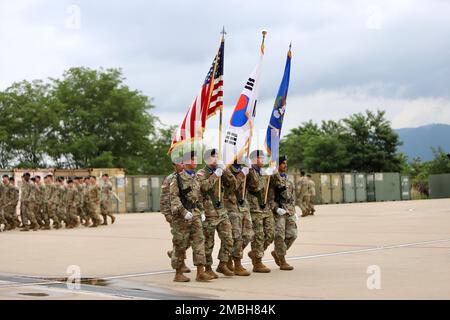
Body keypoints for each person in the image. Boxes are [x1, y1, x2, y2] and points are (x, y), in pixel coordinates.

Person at [169, 151, 213, 282]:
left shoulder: (196, 178)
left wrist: (202, 211)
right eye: (192, 159)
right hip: (182, 217)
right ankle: (178, 273)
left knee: (199, 242)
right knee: (180, 244)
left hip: (196, 214)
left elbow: (198, 197)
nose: (195, 162)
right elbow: (174, 197)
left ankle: (200, 271)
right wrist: (183, 212)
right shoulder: (177, 178)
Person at [197, 149, 234, 278]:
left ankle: (222, 264)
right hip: (208, 213)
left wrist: (225, 171)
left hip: (222, 212)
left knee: (229, 239)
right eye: (214, 157)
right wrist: (216, 174)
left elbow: (233, 185)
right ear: (207, 159)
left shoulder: (221, 172)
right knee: (208, 243)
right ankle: (207, 268)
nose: (216, 158)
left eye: (218, 156)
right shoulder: (201, 173)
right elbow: (204, 187)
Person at [223, 160, 254, 276]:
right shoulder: (227, 167)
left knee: (248, 235)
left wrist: (250, 170)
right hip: (231, 206)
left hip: (243, 205)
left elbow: (255, 186)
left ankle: (231, 256)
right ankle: (237, 263)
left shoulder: (244, 167)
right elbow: (233, 186)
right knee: (237, 236)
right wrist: (242, 173)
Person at [160, 157, 191, 274]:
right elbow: (164, 198)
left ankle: (174, 254)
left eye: (184, 162)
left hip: (187, 212)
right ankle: (180, 264)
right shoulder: (169, 179)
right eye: (180, 163)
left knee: (189, 238)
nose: (182, 165)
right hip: (175, 214)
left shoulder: (187, 177)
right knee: (180, 239)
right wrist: (166, 214)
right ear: (174, 165)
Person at [246, 150, 275, 273]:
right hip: (254, 208)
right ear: (253, 160)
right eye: (259, 158)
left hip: (265, 207)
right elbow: (254, 186)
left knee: (270, 235)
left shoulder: (263, 172)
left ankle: (254, 253)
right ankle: (257, 262)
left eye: (263, 158)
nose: (262, 160)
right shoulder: (249, 172)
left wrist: (272, 172)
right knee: (258, 236)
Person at [268, 155, 298, 271]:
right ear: (277, 165)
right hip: (279, 211)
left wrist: (294, 212)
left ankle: (277, 253)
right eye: (283, 163)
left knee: (292, 235)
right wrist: (276, 209)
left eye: (286, 163)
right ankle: (282, 260)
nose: (285, 165)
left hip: (289, 211)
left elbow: (291, 198)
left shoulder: (288, 180)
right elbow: (269, 199)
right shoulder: (273, 180)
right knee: (279, 236)